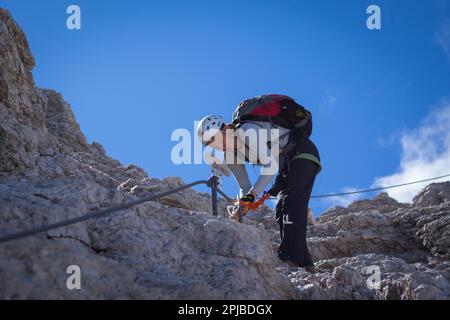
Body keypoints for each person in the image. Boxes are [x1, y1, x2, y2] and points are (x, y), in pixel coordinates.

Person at [196, 95, 321, 271]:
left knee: (292, 204)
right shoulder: (229, 156)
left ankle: (292, 258)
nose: (219, 147)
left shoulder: (247, 131)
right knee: (281, 210)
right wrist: (241, 206)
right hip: (286, 162)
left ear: (225, 128)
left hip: (302, 152)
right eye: (213, 146)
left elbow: (270, 167)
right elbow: (244, 187)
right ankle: (306, 264)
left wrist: (251, 197)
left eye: (217, 140)